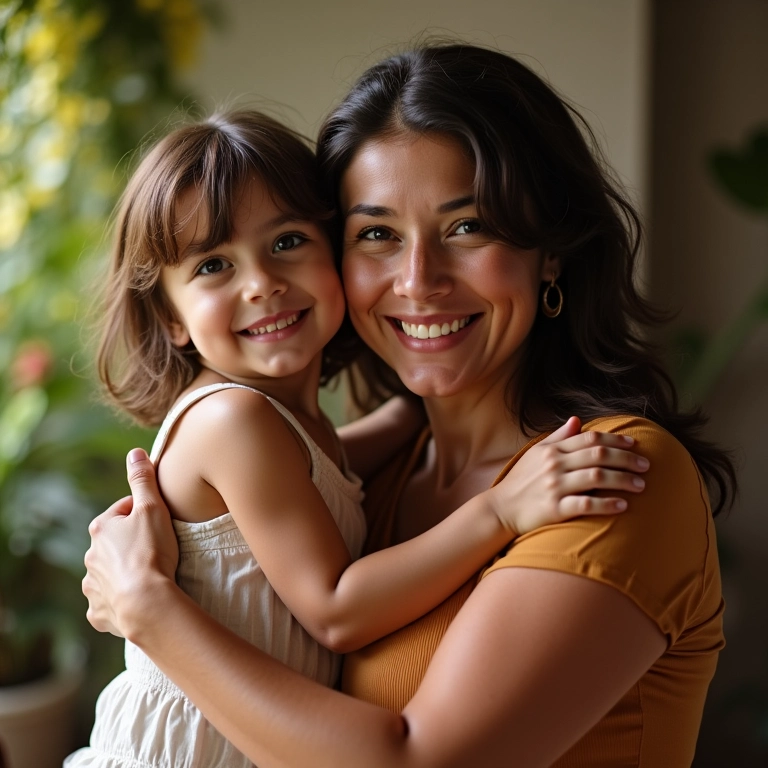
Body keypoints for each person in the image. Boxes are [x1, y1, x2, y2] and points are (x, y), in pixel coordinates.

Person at [82, 44, 735, 767]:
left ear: (550, 252)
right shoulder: (389, 471)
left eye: (467, 226)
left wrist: (150, 612)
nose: (418, 281)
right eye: (377, 235)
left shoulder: (605, 475)